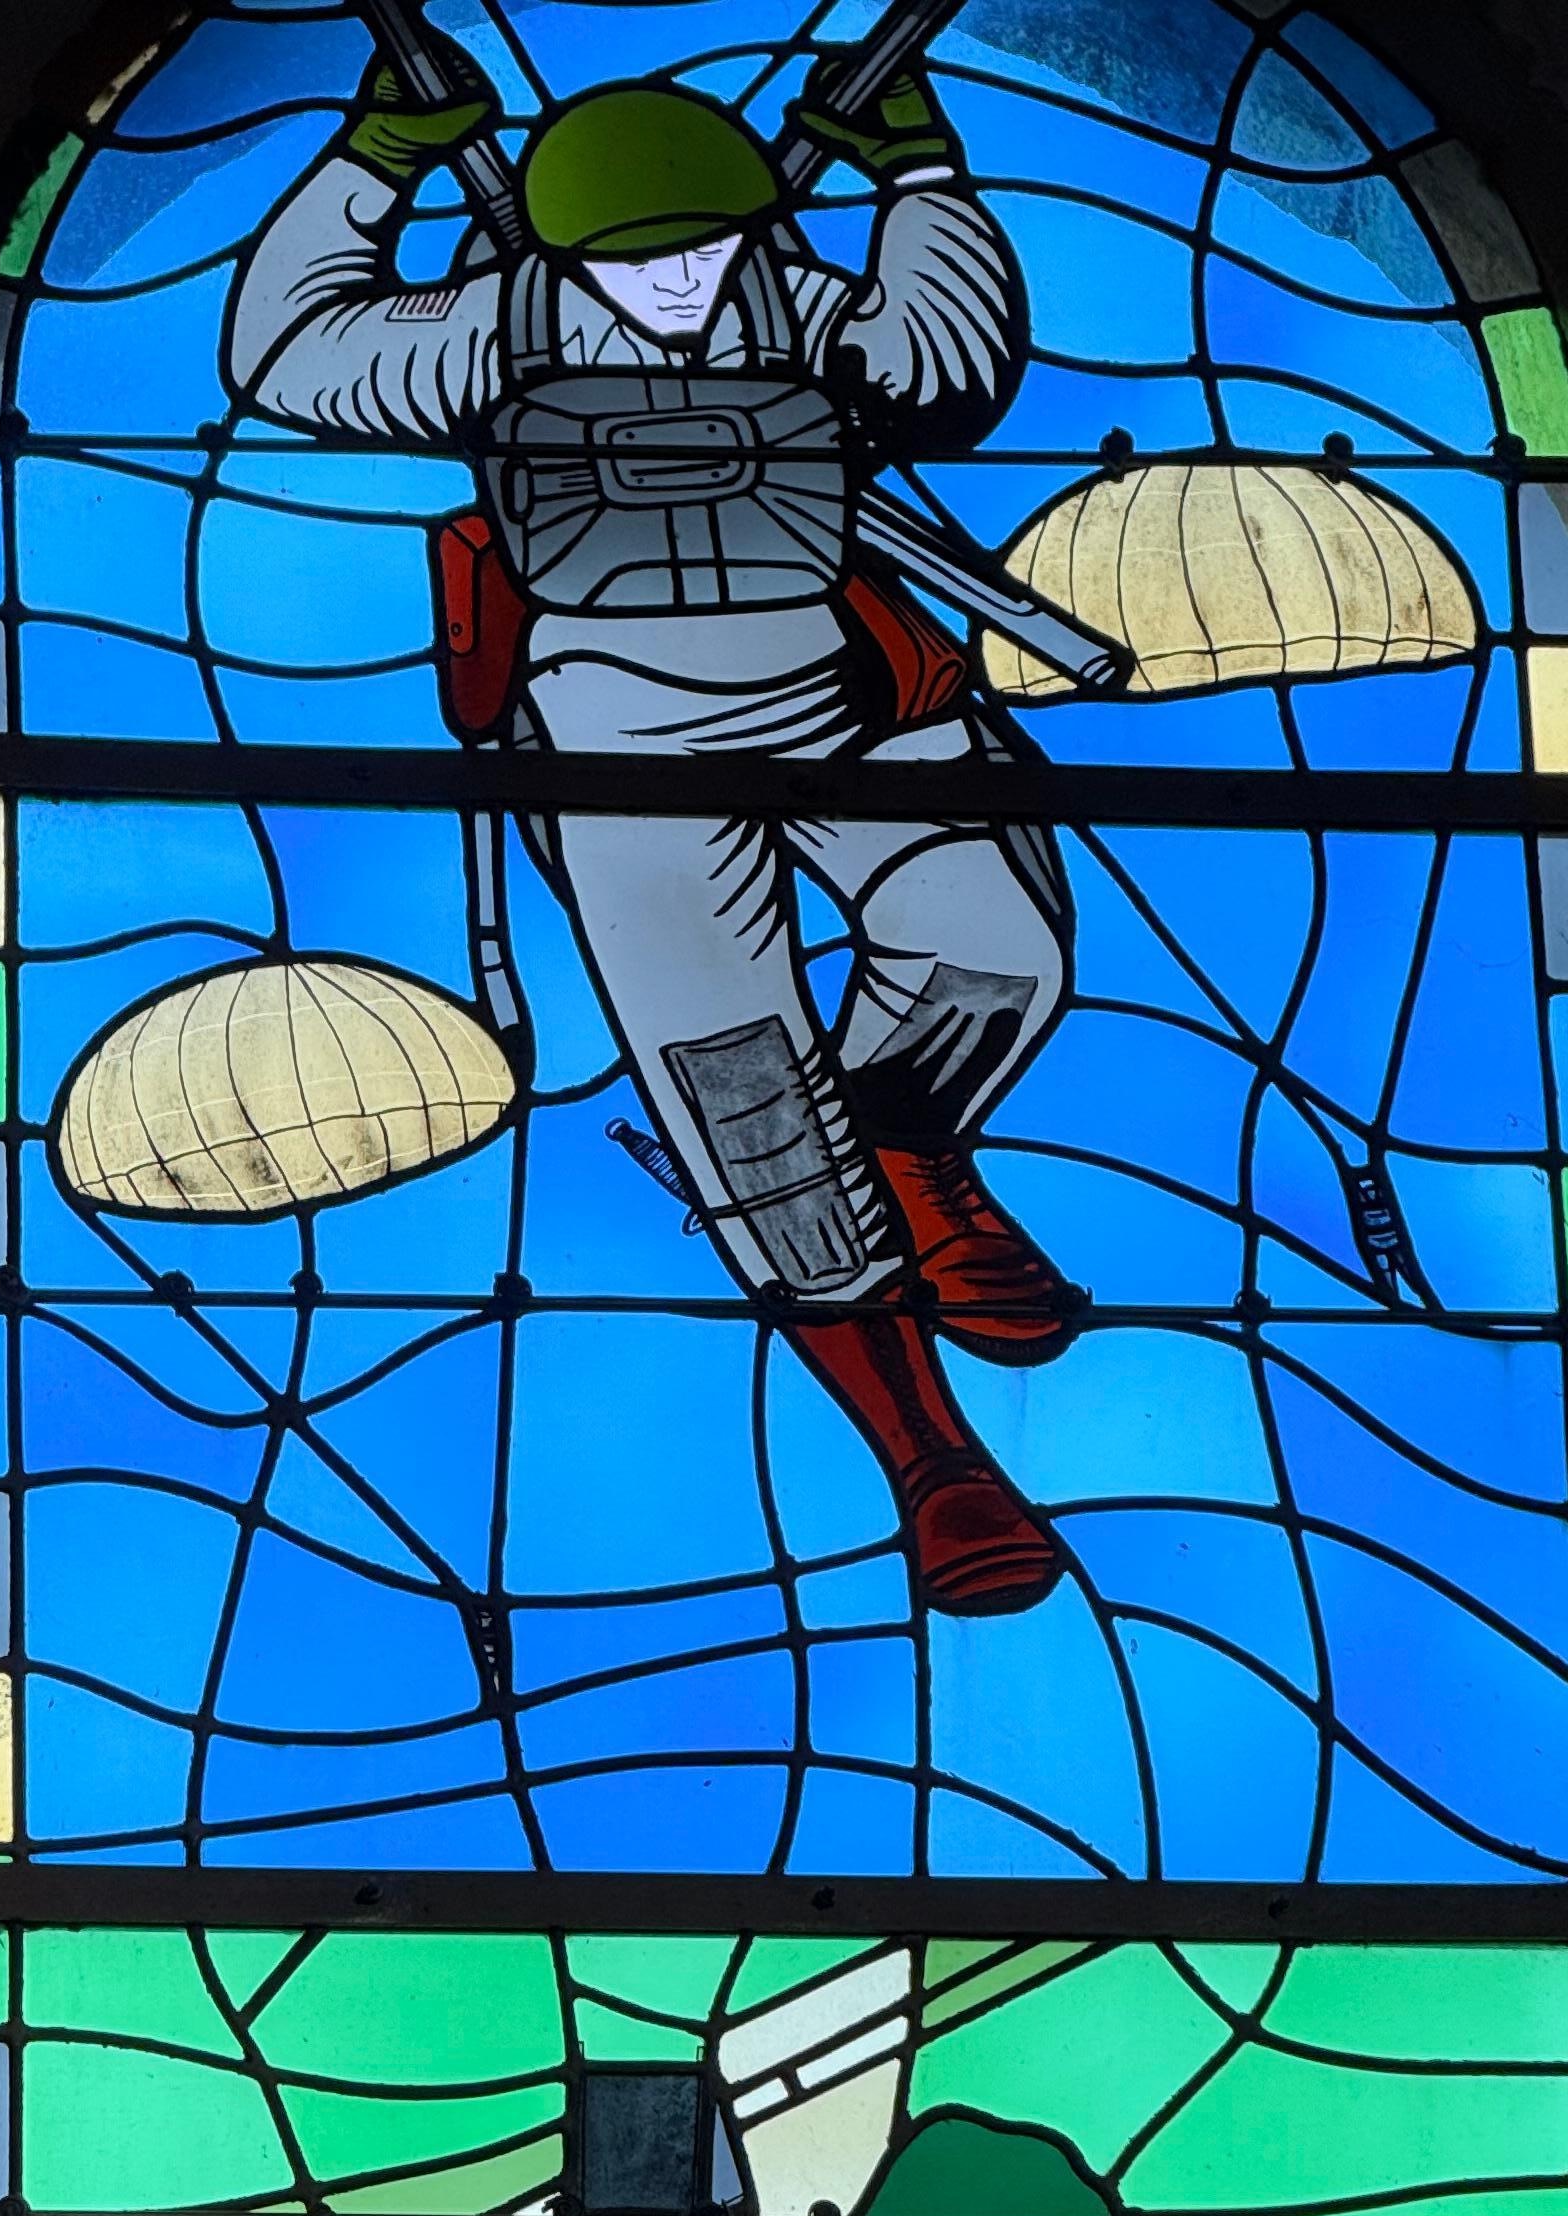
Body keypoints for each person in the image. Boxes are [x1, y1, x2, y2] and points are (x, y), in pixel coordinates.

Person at [225, 49, 1088, 1618]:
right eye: (638, 255)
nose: (680, 280)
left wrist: (922, 175)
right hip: (621, 727)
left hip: (847, 684)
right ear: (562, 252)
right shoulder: (489, 330)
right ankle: (935, 1468)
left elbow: (948, 372)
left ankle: (911, 1137)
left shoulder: (801, 302)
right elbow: (291, 355)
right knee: (742, 1095)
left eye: (706, 243)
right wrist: (372, 160)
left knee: (996, 944)